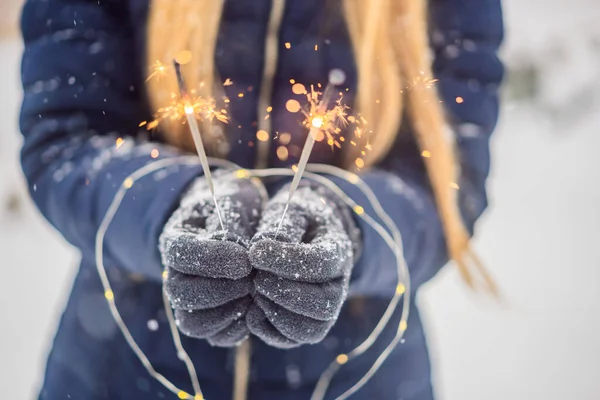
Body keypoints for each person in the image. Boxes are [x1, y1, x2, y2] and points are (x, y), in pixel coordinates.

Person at [20, 0, 504, 399]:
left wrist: (350, 223)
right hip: (118, 375)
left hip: (363, 381)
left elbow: (446, 188)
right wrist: (171, 203)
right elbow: (65, 143)